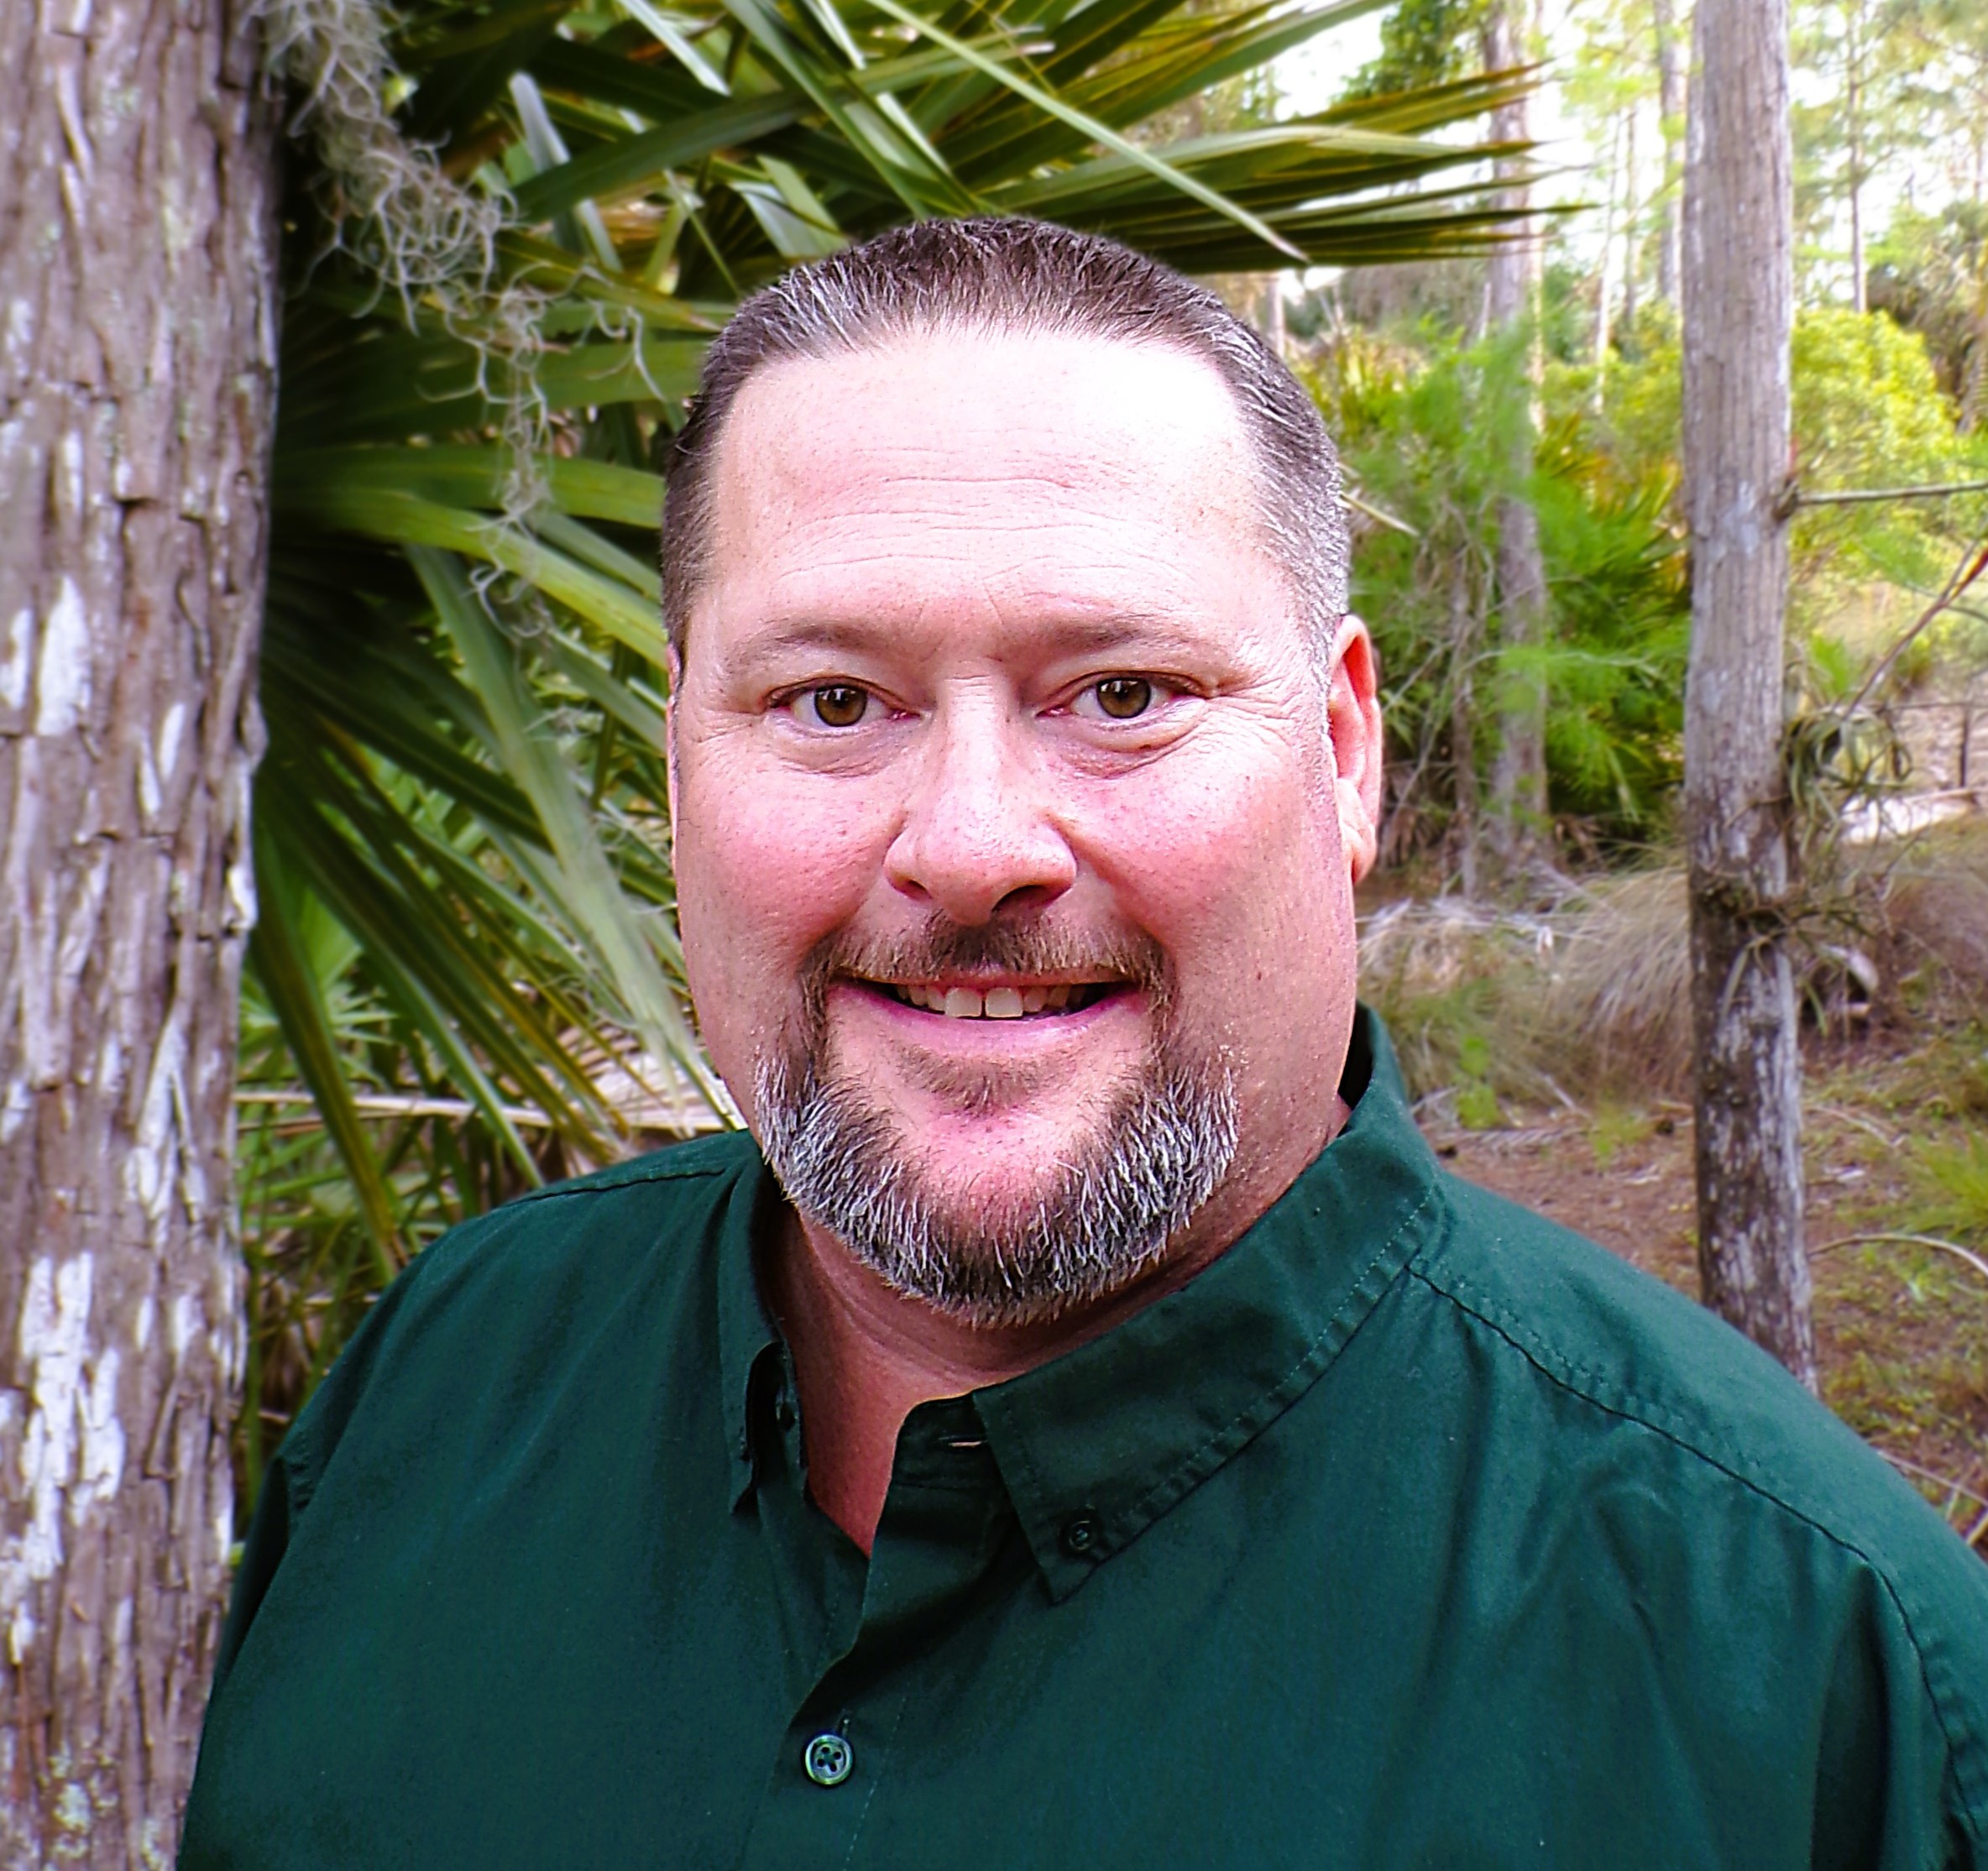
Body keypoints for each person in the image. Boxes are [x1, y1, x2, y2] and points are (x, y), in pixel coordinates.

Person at [180, 218, 1988, 1870]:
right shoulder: (439, 1392)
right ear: (674, 774)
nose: (970, 844)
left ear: (1342, 752)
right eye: (830, 701)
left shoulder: (1817, 1681)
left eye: (1120, 694)